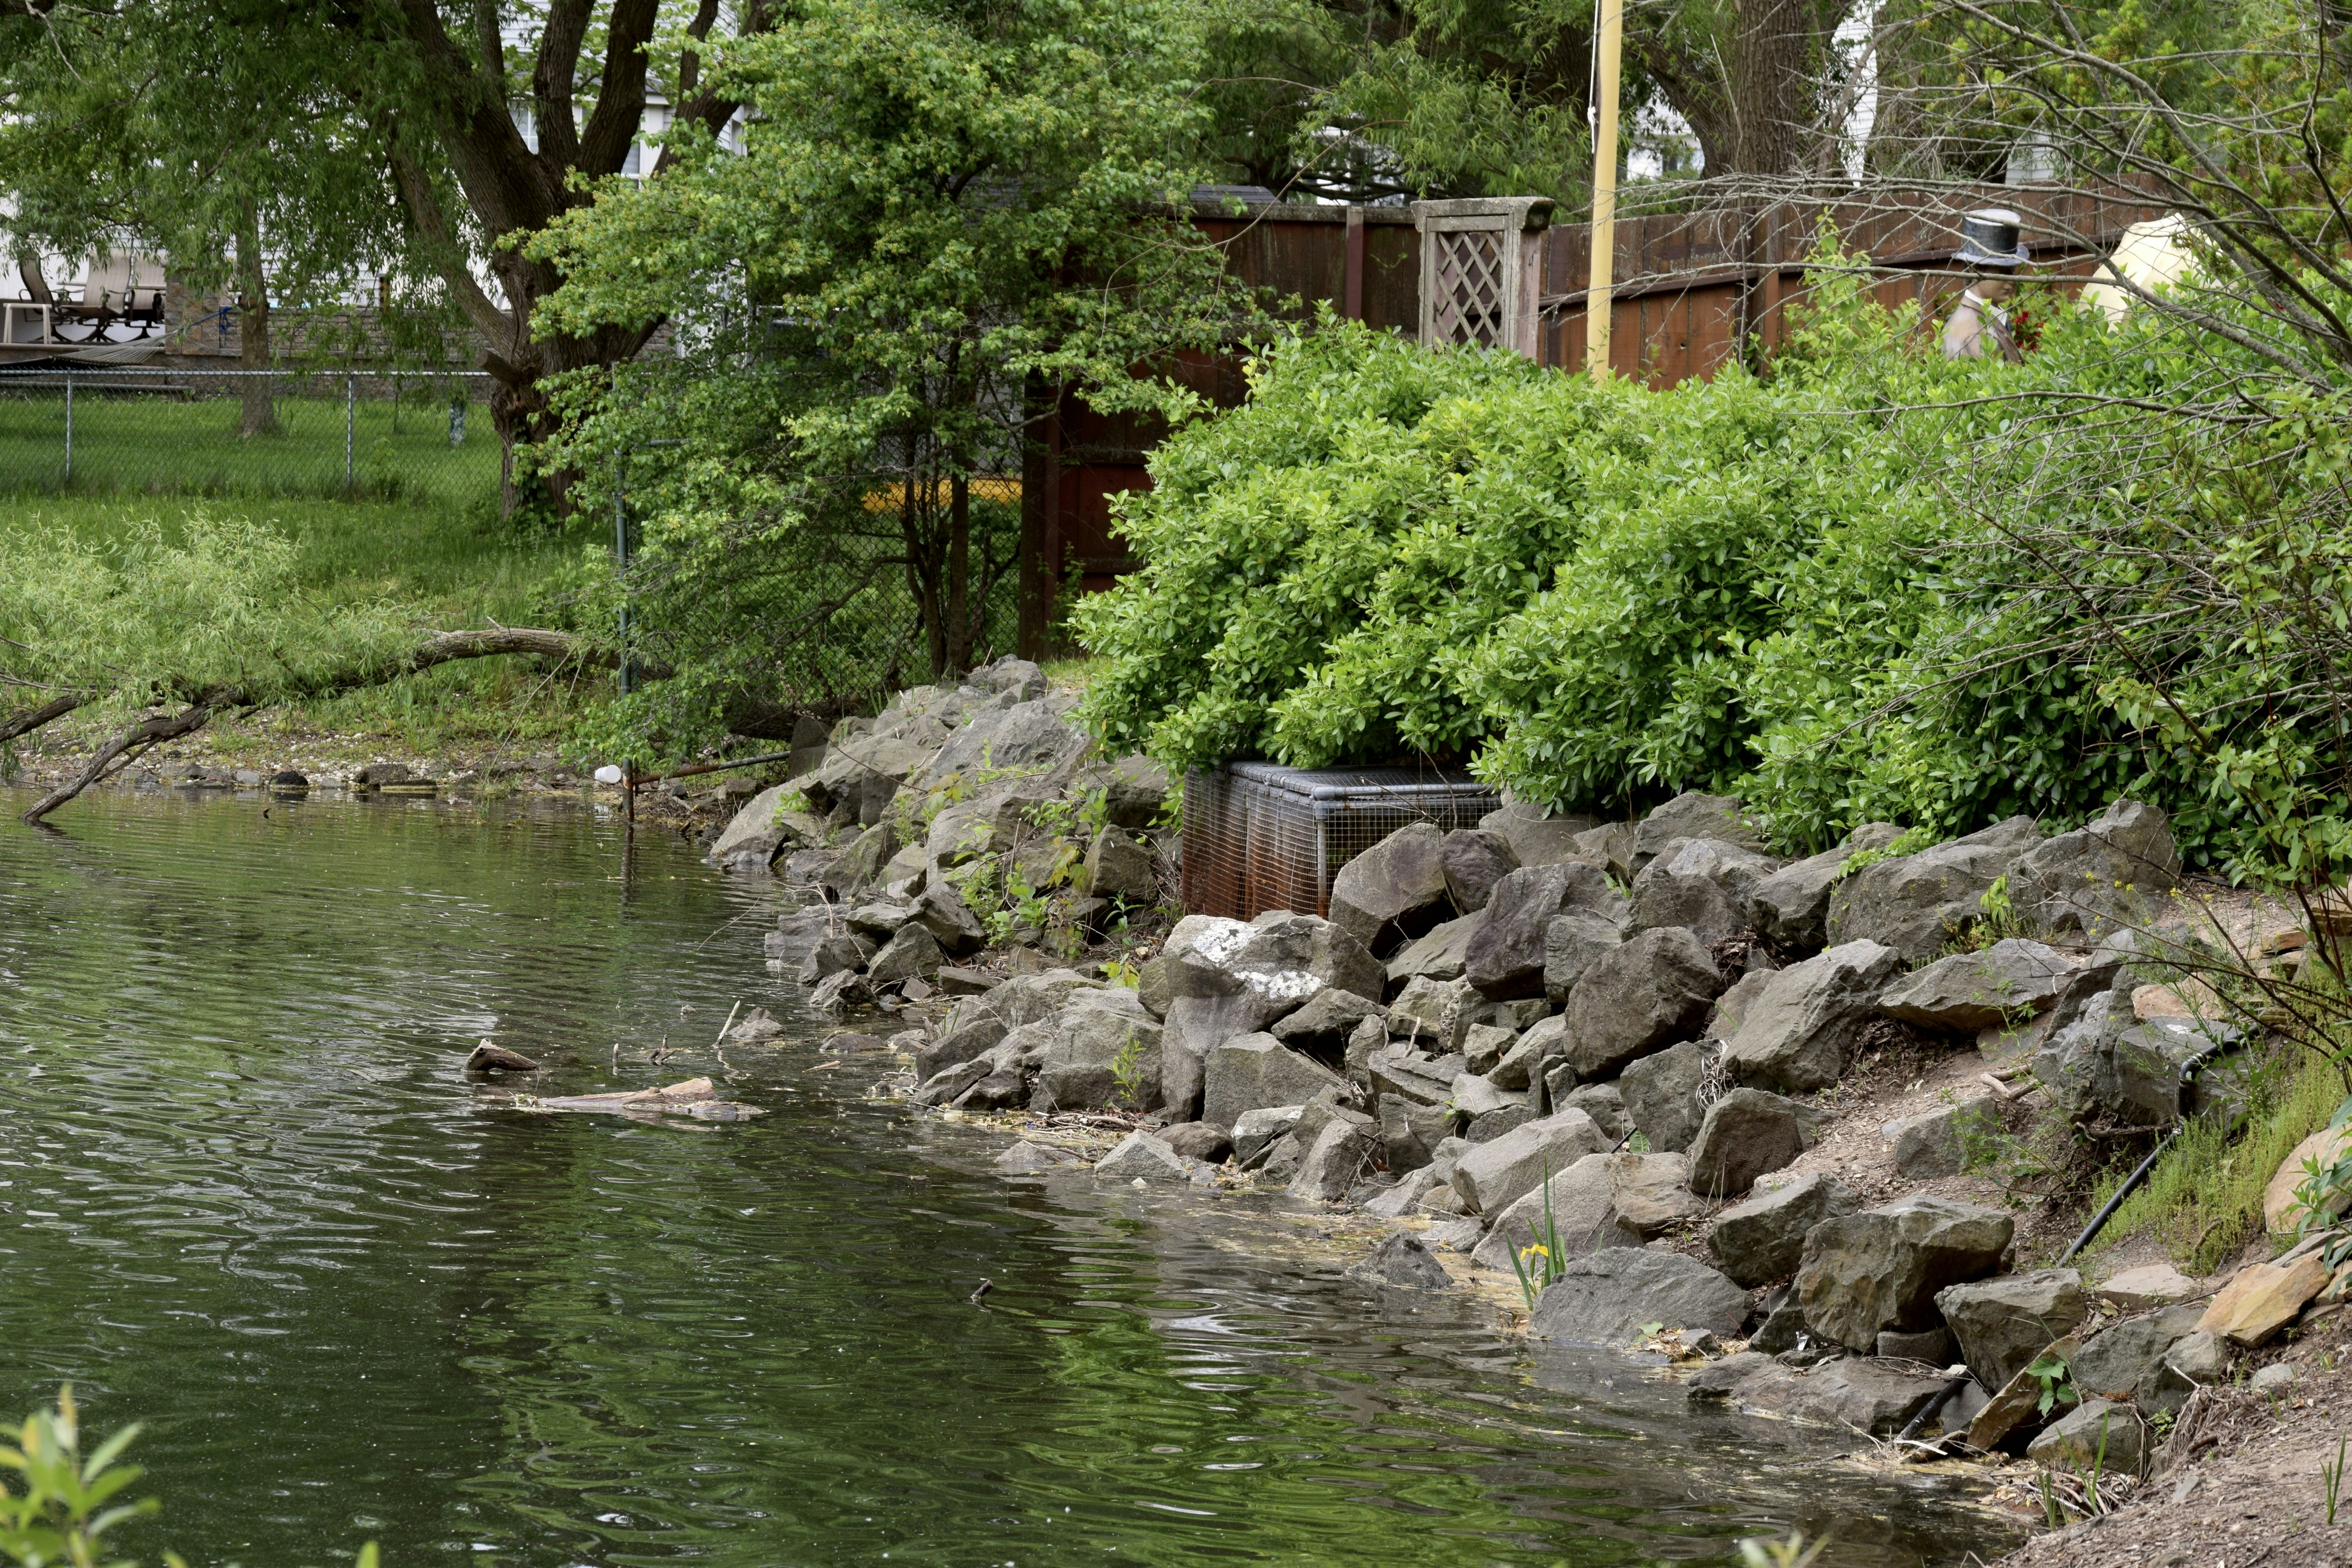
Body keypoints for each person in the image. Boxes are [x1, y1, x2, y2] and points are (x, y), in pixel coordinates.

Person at [1942, 208, 2031, 361]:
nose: (2011, 280)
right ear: (1975, 269)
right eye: (2002, 271)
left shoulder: (1988, 318)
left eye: (2012, 270)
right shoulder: (1975, 337)